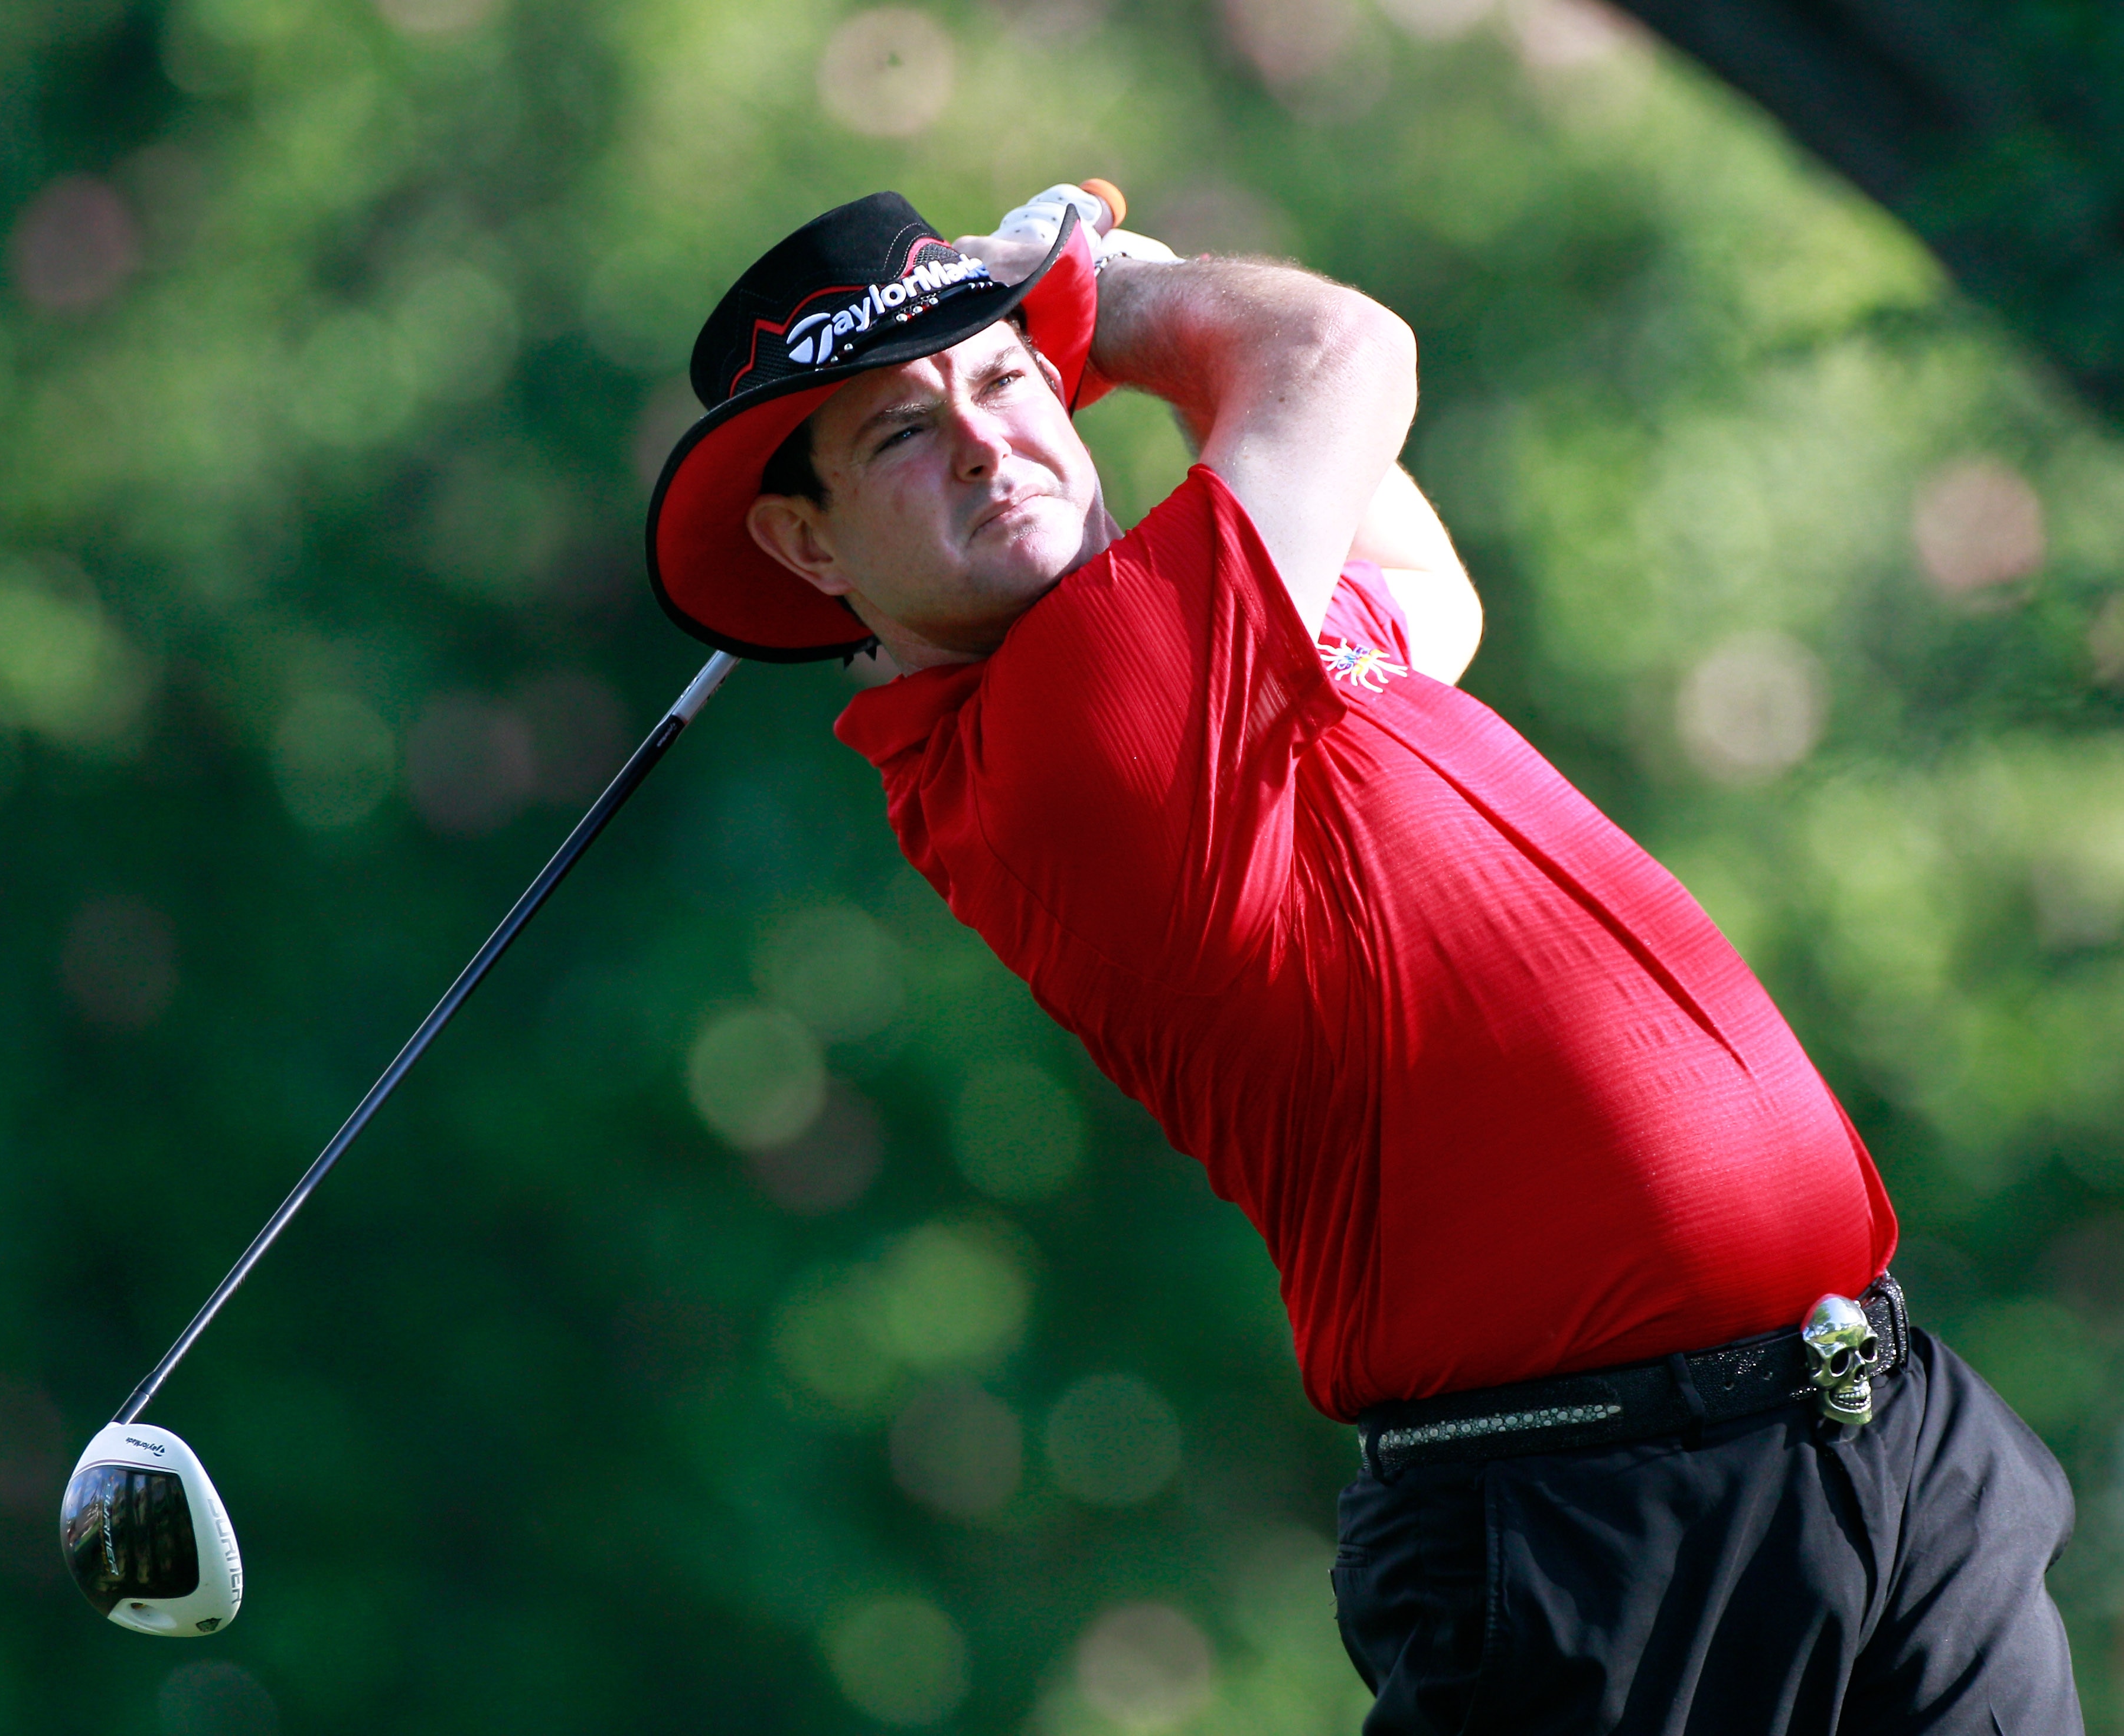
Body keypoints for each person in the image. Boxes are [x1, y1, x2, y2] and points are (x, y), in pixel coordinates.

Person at [645, 184, 2083, 1732]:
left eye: (1003, 378)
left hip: (1873, 1422)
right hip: (1593, 1521)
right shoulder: (1069, 724)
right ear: (806, 542)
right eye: (900, 437)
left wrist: (1071, 324)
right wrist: (1094, 289)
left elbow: (1429, 602)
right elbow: (1342, 355)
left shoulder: (1206, 648)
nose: (992, 439)